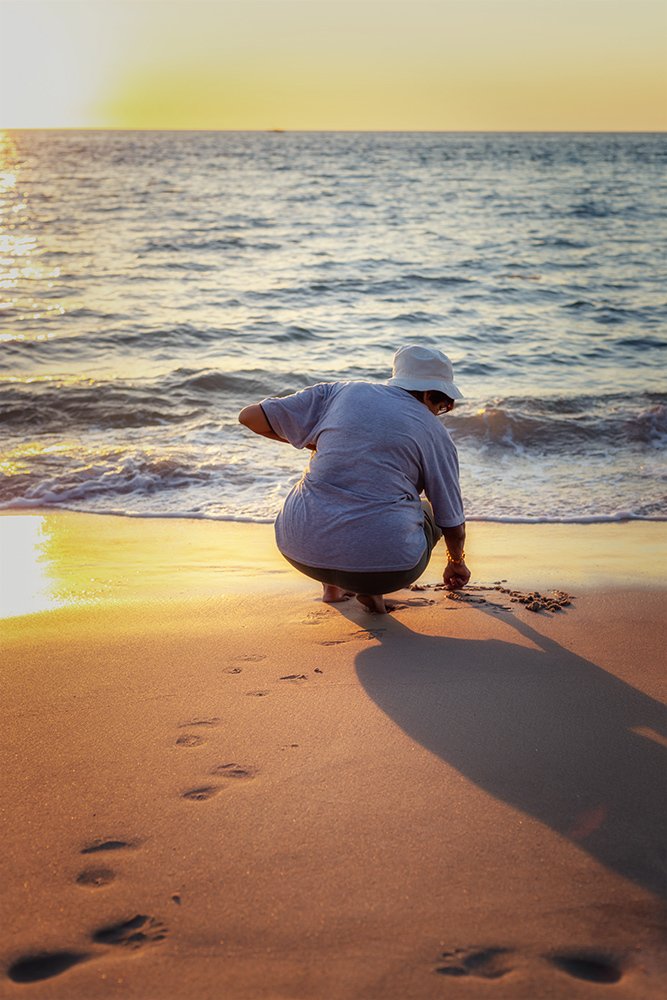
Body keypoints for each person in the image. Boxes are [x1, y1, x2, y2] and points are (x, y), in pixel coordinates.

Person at [239, 344, 470, 613]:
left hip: (297, 549)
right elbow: (451, 520)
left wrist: (315, 443)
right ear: (429, 393)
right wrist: (457, 562)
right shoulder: (435, 433)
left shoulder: (340, 392)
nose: (439, 413)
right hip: (389, 570)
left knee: (328, 477)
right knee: (426, 509)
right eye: (441, 406)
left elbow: (250, 417)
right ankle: (372, 591)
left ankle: (332, 588)